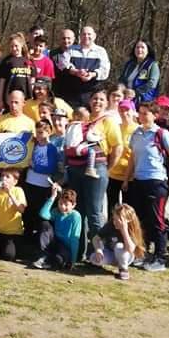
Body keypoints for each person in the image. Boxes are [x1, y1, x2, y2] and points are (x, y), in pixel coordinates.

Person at [122, 101, 169, 272]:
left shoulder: (162, 134)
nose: (142, 116)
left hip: (156, 181)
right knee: (140, 219)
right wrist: (127, 179)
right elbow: (132, 158)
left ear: (155, 115)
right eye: (140, 113)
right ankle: (143, 253)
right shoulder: (136, 133)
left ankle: (160, 258)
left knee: (157, 220)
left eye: (146, 113)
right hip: (138, 180)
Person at [64, 90, 123, 250]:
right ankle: (79, 250)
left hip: (96, 168)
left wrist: (107, 168)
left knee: (94, 212)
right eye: (95, 99)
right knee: (78, 210)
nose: (98, 102)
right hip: (76, 168)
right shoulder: (82, 119)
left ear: (107, 103)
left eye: (102, 99)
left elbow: (118, 147)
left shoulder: (109, 121)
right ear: (90, 101)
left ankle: (98, 251)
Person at [22, 119, 60, 239]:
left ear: (49, 132)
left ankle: (39, 238)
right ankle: (27, 235)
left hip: (43, 184)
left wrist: (35, 167)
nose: (38, 135)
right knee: (28, 210)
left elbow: (51, 168)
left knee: (39, 212)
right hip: (30, 181)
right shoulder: (33, 145)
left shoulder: (51, 148)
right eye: (37, 132)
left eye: (41, 132)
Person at [88, 203, 145, 281]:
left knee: (119, 246)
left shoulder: (131, 229)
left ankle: (123, 269)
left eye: (118, 220)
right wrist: (98, 250)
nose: (115, 222)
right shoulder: (111, 224)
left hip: (125, 256)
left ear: (127, 220)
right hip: (111, 254)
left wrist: (124, 230)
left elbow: (130, 249)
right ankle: (106, 262)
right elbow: (96, 238)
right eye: (114, 219)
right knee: (93, 259)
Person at [58, 26, 111, 108]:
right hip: (72, 93)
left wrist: (92, 74)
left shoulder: (101, 51)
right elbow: (62, 64)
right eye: (84, 34)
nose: (86, 36)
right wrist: (76, 72)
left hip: (92, 93)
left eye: (89, 34)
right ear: (80, 36)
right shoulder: (71, 49)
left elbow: (105, 70)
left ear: (94, 36)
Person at [33, 184, 83, 269]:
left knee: (59, 260)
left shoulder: (75, 216)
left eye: (66, 205)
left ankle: (49, 262)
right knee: (45, 224)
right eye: (60, 203)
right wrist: (53, 197)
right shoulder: (56, 211)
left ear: (73, 205)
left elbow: (75, 239)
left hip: (65, 248)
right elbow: (43, 214)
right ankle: (43, 256)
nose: (62, 207)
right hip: (54, 243)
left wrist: (73, 261)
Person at [106, 99, 138, 213]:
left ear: (133, 111)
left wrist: (127, 178)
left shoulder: (138, 130)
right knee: (112, 207)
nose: (124, 113)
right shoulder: (115, 128)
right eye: (121, 110)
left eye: (127, 110)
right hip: (113, 174)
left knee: (127, 209)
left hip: (130, 176)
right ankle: (112, 225)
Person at [64, 107, 102, 179]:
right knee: (92, 151)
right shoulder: (83, 126)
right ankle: (90, 168)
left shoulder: (69, 126)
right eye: (86, 110)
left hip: (68, 150)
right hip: (79, 149)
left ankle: (65, 167)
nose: (88, 112)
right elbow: (89, 136)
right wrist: (99, 138)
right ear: (77, 116)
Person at [0, 33, 34, 100]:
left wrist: (31, 95)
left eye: (16, 46)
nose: (14, 48)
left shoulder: (29, 60)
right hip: (10, 97)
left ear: (21, 45)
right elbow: (2, 81)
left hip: (26, 97)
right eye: (12, 46)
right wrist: (1, 99)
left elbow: (32, 80)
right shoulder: (6, 61)